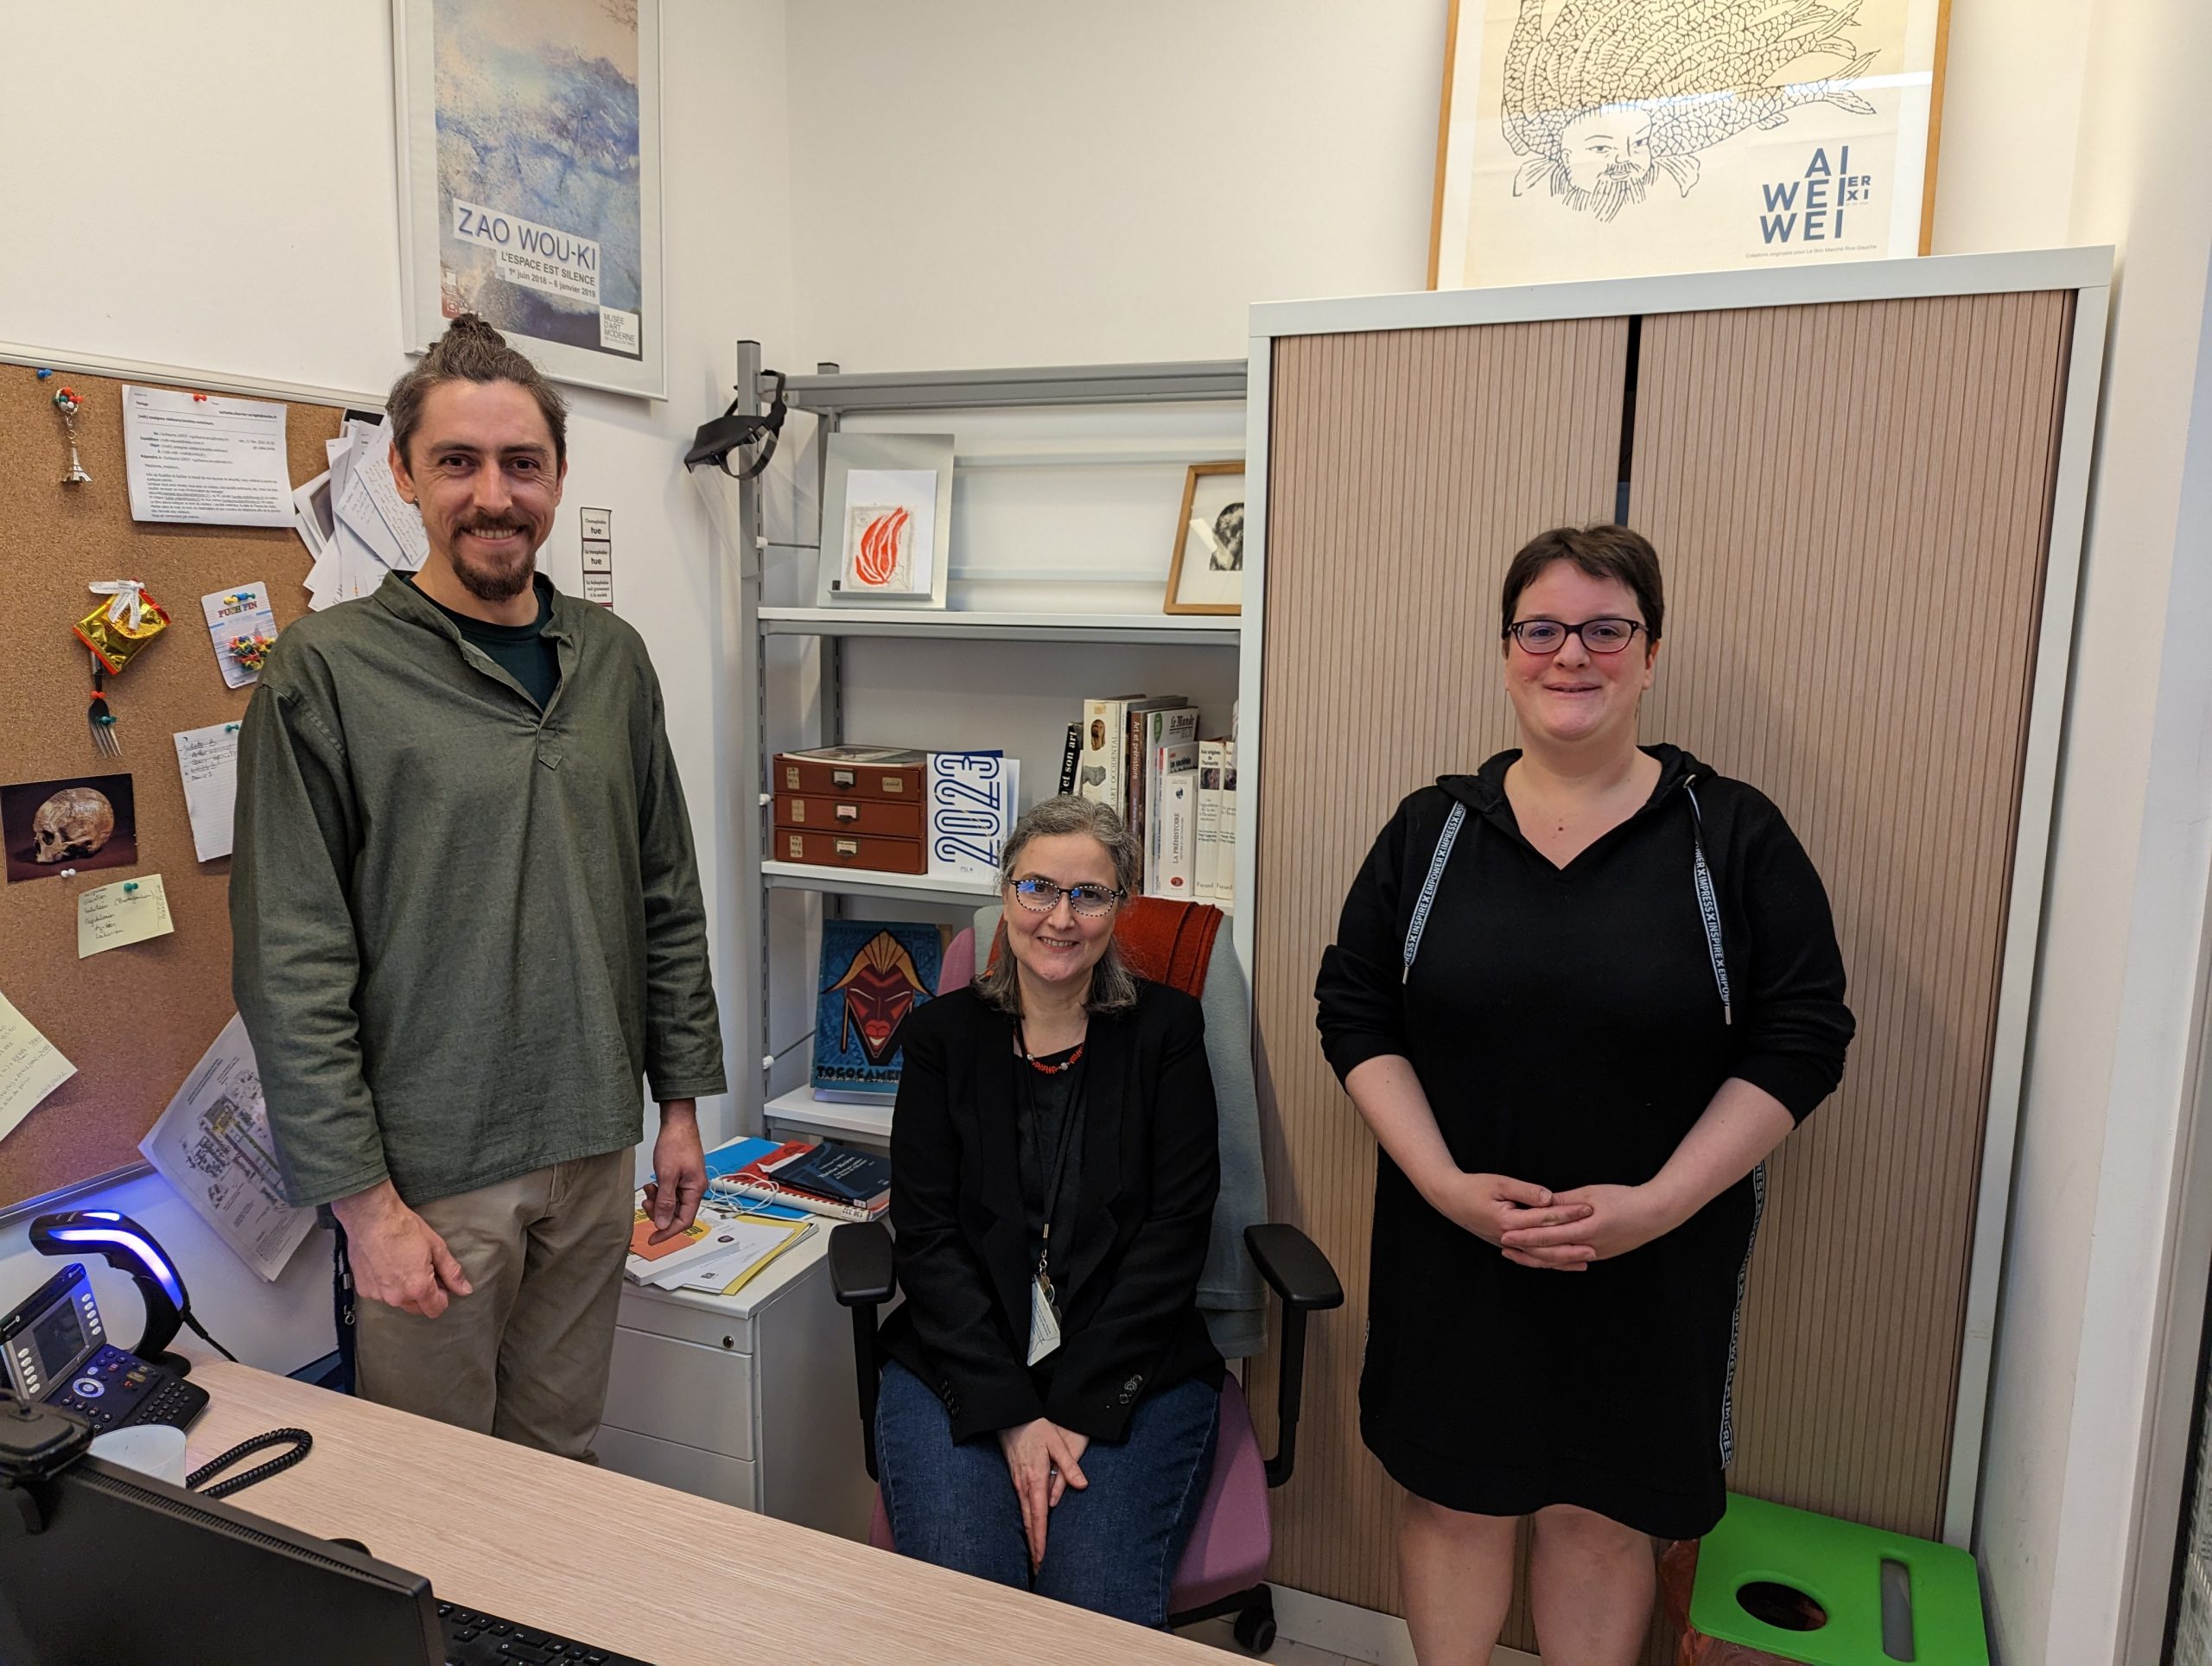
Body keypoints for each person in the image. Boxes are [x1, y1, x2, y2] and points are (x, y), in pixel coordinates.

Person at [1314, 524, 1854, 1664]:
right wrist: (1444, 1184)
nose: (1573, 656)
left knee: (1602, 1521)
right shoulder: (1434, 832)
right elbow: (1354, 1008)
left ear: (1650, 654)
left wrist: (1658, 1205)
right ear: (1508, 651)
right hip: (1454, 1249)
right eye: (1543, 629)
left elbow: (1804, 1036)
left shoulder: (1731, 837)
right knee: (1457, 1504)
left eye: (1607, 630)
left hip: (1654, 1265)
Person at [231, 315, 725, 1460]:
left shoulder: (613, 659)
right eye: (457, 462)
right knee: (439, 1495)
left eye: (521, 464)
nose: (492, 495)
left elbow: (666, 889)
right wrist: (366, 1211)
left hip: (598, 1146)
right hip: (434, 1181)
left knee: (559, 1462)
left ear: (557, 477)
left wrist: (682, 1107)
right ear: (403, 473)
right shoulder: (329, 670)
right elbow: (290, 958)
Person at [874, 795, 1224, 1628]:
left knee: (1090, 1609)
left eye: (1089, 894)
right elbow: (926, 1240)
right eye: (1039, 888)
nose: (1060, 918)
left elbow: (1176, 1235)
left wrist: (1071, 1412)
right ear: (1006, 896)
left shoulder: (1167, 1032)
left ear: (1120, 909)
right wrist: (1010, 1415)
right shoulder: (939, 1039)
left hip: (1130, 1361)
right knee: (972, 1604)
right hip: (961, 1356)